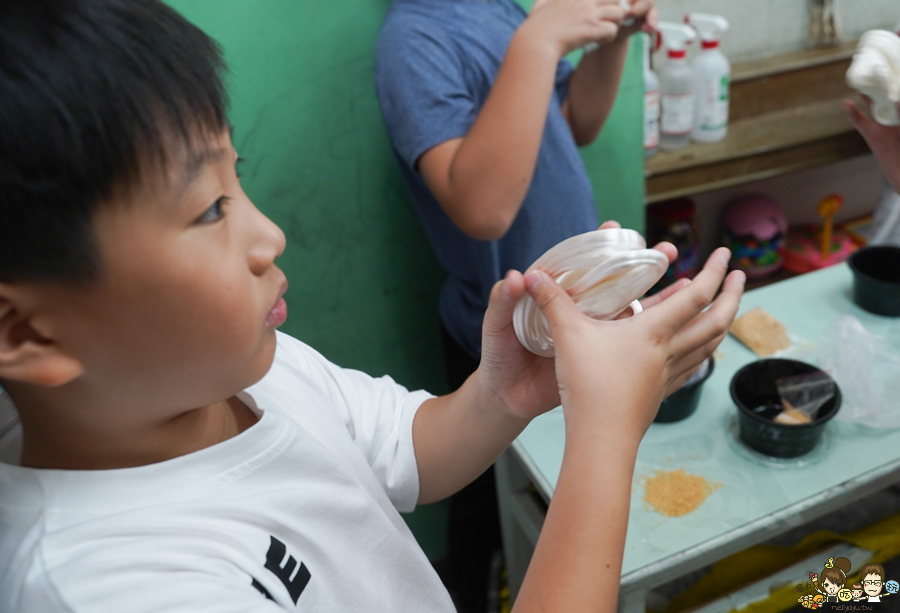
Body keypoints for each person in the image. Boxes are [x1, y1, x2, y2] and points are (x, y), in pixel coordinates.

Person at [0, 1, 743, 611]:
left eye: (241, 179)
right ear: (27, 328)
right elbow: (482, 202)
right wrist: (604, 437)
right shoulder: (110, 587)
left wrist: (501, 392)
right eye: (207, 210)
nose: (270, 234)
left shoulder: (247, 368)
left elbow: (406, 445)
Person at [374, 1, 656, 606]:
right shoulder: (412, 40)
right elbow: (483, 209)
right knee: (487, 504)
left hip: (574, 317)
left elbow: (574, 120)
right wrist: (538, 41)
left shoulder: (500, 8)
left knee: (570, 478)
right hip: (502, 339)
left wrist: (611, 40)